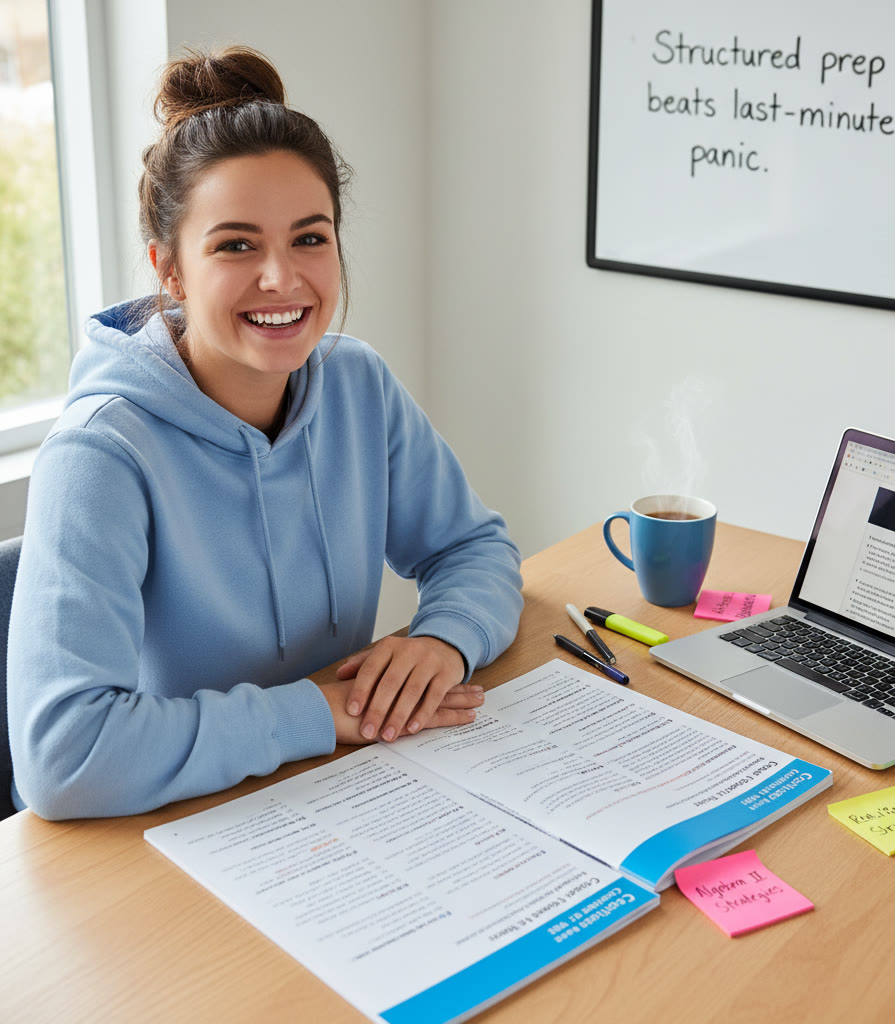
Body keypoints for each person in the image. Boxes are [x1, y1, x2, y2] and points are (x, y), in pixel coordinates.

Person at [7, 46, 523, 820]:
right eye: (236, 245)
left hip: (339, 794)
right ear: (169, 269)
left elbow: (475, 548)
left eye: (310, 238)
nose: (281, 278)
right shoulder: (100, 456)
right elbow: (63, 756)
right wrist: (316, 713)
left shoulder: (359, 387)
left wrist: (444, 640)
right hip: (166, 833)